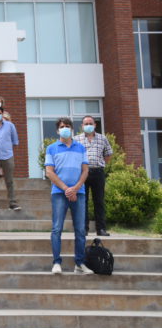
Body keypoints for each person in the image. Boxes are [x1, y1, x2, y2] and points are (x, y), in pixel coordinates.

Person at [45, 117, 93, 275]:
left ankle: (79, 263)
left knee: (80, 230)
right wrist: (67, 188)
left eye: (67, 126)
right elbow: (49, 172)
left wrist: (76, 188)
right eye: (61, 126)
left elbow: (85, 170)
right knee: (56, 228)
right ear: (58, 130)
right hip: (59, 193)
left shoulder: (81, 148)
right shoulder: (51, 148)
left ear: (72, 129)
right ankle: (56, 262)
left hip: (79, 193)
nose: (64, 128)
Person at [73, 115, 113, 236]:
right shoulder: (76, 139)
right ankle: (83, 229)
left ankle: (101, 229)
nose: (88, 126)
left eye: (91, 123)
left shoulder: (102, 138)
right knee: (82, 202)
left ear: (95, 125)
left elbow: (108, 155)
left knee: (99, 201)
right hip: (82, 174)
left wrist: (100, 164)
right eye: (86, 124)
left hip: (98, 172)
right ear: (82, 126)